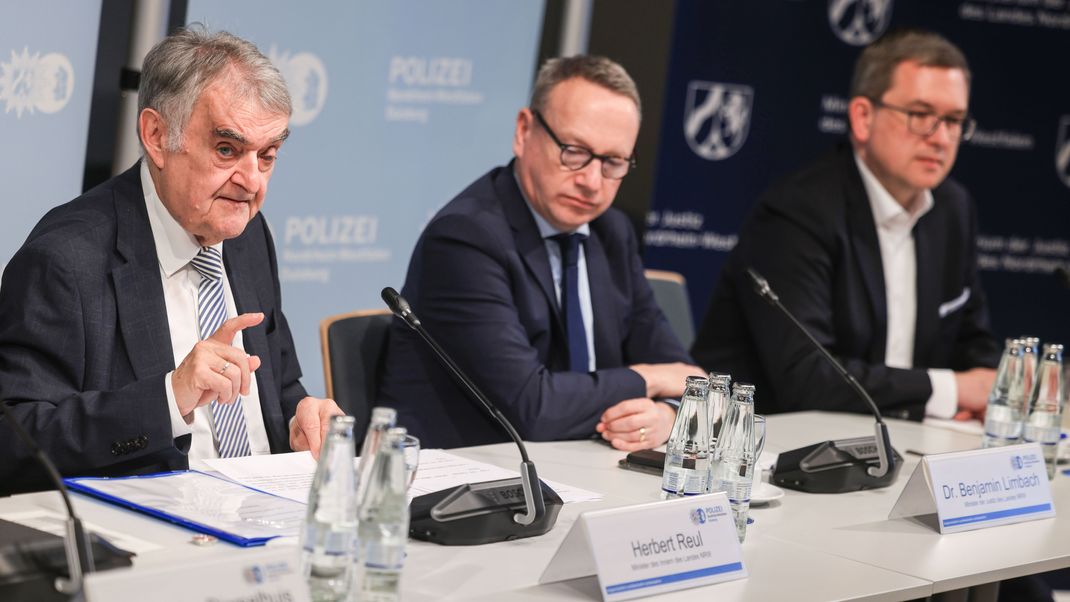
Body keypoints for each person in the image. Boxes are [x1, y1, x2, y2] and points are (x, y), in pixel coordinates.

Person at [0, 26, 342, 494]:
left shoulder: (246, 233)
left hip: (267, 521)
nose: (251, 181)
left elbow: (279, 388)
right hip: (152, 535)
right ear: (157, 136)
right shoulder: (66, 260)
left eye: (267, 155)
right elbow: (14, 442)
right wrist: (169, 397)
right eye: (227, 150)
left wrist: (300, 417)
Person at [378, 56, 701, 450]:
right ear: (524, 130)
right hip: (465, 483)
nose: (591, 182)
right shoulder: (465, 238)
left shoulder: (611, 232)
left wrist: (668, 414)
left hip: (580, 467)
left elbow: (687, 377)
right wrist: (648, 380)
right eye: (574, 151)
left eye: (613, 162)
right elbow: (532, 407)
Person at [691, 29, 1000, 421]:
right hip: (767, 446)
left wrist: (977, 395)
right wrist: (950, 391)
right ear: (862, 117)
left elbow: (976, 347)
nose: (940, 138)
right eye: (921, 116)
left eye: (954, 120)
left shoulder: (953, 209)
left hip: (898, 440)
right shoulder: (799, 211)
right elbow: (809, 378)